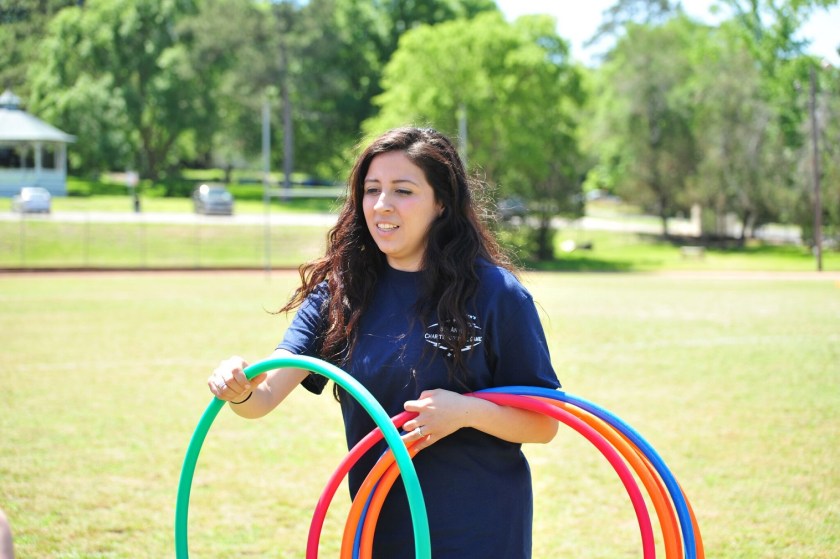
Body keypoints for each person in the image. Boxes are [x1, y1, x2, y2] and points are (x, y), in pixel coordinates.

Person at [208, 126, 560, 558]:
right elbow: (260, 399)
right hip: (382, 531)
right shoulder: (341, 294)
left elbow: (544, 422)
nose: (382, 205)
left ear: (442, 202)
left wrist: (465, 412)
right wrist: (238, 387)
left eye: (403, 190)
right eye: (371, 189)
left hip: (480, 534)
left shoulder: (495, 294)